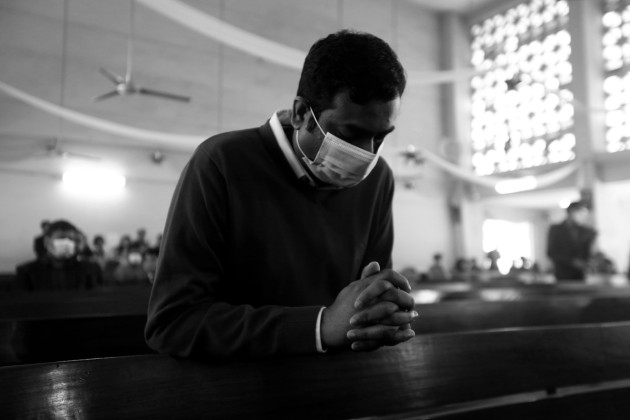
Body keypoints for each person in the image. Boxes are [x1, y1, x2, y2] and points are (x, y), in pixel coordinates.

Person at [145, 30, 417, 359]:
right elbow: (174, 323)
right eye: (351, 134)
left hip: (339, 385)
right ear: (302, 113)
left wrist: (385, 310)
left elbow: (367, 301)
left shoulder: (379, 179)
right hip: (239, 391)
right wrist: (319, 326)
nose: (367, 155)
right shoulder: (222, 163)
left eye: (380, 137)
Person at [16, 219, 102, 291]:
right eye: (61, 238)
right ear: (47, 242)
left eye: (71, 239)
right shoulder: (27, 271)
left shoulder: (90, 269)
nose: (66, 243)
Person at [546, 201, 597, 281]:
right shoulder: (556, 230)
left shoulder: (586, 231)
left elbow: (587, 253)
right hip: (562, 276)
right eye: (581, 214)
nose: (583, 217)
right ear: (571, 212)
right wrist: (572, 262)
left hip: (580, 276)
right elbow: (551, 252)